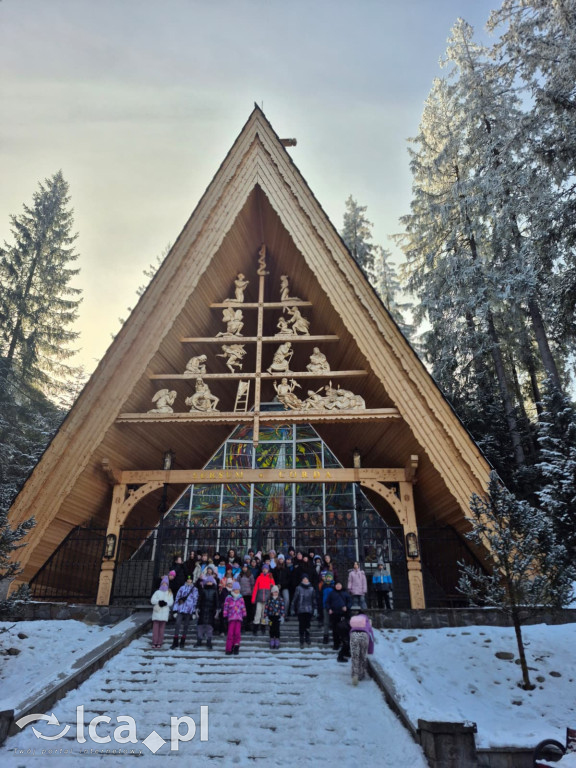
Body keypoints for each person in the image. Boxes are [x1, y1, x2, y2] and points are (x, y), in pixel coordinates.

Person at [171, 575, 198, 649]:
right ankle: (175, 641)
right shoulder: (182, 588)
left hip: (189, 610)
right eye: (188, 579)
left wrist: (193, 612)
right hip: (180, 609)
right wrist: (175, 610)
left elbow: (195, 601)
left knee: (186, 625)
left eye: (190, 580)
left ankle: (182, 641)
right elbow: (177, 598)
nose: (189, 581)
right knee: (177, 624)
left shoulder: (194, 589)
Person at [349, 610, 375, 685]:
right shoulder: (367, 621)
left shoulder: (354, 620)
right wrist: (370, 650)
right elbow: (371, 636)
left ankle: (355, 675)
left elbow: (350, 631)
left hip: (354, 635)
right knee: (362, 656)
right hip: (364, 635)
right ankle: (361, 674)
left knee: (355, 656)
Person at [292, 573, 317, 649]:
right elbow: (295, 599)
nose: (305, 580)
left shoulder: (312, 589)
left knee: (308, 625)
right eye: (304, 579)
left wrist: (315, 609)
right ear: (302, 580)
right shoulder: (298, 588)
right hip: (301, 609)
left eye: (306, 579)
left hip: (309, 609)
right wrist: (292, 609)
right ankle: (301, 639)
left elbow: (314, 600)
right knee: (301, 625)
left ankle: (307, 637)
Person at [326, 580, 351, 651]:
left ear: (341, 586)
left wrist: (347, 607)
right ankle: (336, 644)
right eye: (337, 585)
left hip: (343, 614)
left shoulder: (345, 593)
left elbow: (350, 602)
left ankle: (344, 644)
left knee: (344, 630)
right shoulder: (331, 593)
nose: (338, 586)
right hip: (334, 614)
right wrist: (329, 609)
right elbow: (327, 602)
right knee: (335, 630)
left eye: (339, 584)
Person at [222, 581, 247, 655]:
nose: (237, 591)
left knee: (237, 633)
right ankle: (229, 648)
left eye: (238, 589)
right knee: (230, 633)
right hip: (231, 618)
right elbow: (226, 606)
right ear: (233, 590)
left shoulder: (241, 598)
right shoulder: (229, 598)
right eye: (235, 589)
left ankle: (236, 647)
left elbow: (243, 607)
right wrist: (225, 615)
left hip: (238, 618)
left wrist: (244, 614)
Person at [196, 570, 218, 649]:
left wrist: (217, 610)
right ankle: (199, 639)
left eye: (210, 582)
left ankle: (209, 640)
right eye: (208, 582)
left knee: (209, 627)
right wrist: (197, 608)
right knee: (200, 626)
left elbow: (216, 601)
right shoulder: (203, 590)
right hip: (203, 609)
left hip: (211, 610)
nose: (209, 583)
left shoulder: (215, 591)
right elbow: (199, 600)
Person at [150, 574, 174, 648]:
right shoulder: (157, 592)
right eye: (163, 583)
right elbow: (152, 600)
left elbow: (171, 602)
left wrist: (166, 603)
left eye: (166, 583)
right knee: (155, 629)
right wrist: (159, 601)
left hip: (164, 612)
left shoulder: (169, 593)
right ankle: (154, 642)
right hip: (157, 612)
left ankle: (160, 642)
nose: (164, 584)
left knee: (161, 629)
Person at [252, 563, 275, 635]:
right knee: (258, 612)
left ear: (268, 570)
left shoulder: (270, 577)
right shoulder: (259, 577)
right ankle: (255, 628)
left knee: (264, 614)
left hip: (267, 599)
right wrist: (253, 598)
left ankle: (263, 627)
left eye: (266, 569)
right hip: (259, 598)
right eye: (264, 569)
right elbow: (255, 588)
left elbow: (273, 588)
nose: (265, 570)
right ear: (262, 570)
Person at [264, 584, 286, 649]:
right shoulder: (269, 600)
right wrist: (266, 616)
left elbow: (282, 608)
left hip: (277, 617)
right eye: (274, 591)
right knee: (271, 628)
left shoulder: (280, 599)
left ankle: (277, 640)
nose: (275, 593)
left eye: (276, 592)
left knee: (277, 629)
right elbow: (266, 608)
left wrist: (282, 616)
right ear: (272, 592)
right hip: (271, 617)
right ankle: (272, 639)